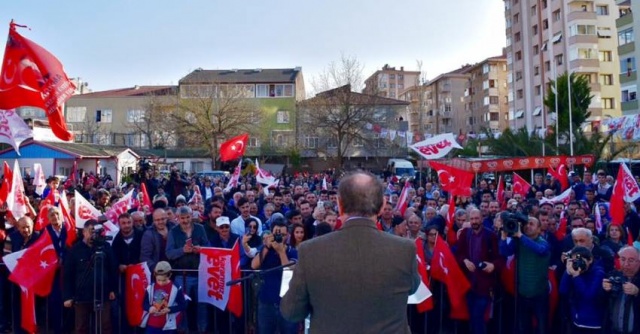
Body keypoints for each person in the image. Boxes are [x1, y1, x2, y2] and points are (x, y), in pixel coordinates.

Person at [281, 171, 421, 333]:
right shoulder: (404, 249)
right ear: (382, 205)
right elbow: (413, 287)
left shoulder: (310, 250)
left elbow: (291, 311)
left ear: (339, 205)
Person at [63, 219, 118, 334]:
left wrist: (113, 289)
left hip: (103, 293)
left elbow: (113, 268)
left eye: (96, 232)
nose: (93, 235)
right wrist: (68, 296)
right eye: (91, 231)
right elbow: (68, 274)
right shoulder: (75, 250)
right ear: (84, 232)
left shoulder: (105, 247)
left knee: (105, 326)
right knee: (81, 327)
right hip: (82, 295)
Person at [499, 215, 550, 334]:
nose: (528, 226)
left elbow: (540, 250)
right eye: (526, 224)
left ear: (539, 229)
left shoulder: (543, 243)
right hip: (522, 294)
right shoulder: (519, 241)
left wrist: (520, 236)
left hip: (540, 295)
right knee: (523, 328)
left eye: (532, 224)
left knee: (542, 328)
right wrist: (503, 237)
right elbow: (504, 252)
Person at [251, 217, 298, 334]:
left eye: (282, 235)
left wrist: (281, 251)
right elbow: (254, 265)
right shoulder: (266, 250)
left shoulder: (293, 251)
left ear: (287, 235)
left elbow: (288, 268)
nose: (280, 238)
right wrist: (267, 247)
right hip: (266, 301)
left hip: (287, 303)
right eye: (277, 234)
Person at [559, 246, 606, 333]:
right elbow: (563, 291)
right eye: (575, 260)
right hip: (577, 321)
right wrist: (568, 271)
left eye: (581, 259)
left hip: (593, 324)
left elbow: (588, 296)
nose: (578, 263)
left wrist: (576, 277)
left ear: (590, 260)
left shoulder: (598, 272)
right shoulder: (574, 271)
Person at [140, 261, 187, 334]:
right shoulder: (150, 287)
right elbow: (144, 304)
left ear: (170, 275)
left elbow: (183, 305)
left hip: (168, 326)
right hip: (152, 324)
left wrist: (169, 309)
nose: (161, 283)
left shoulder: (176, 288)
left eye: (164, 280)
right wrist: (149, 308)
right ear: (155, 275)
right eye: (158, 280)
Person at [602, 246, 640, 333]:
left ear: (639, 262)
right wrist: (604, 290)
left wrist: (637, 292)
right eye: (623, 259)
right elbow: (600, 303)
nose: (626, 264)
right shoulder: (612, 276)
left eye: (631, 260)